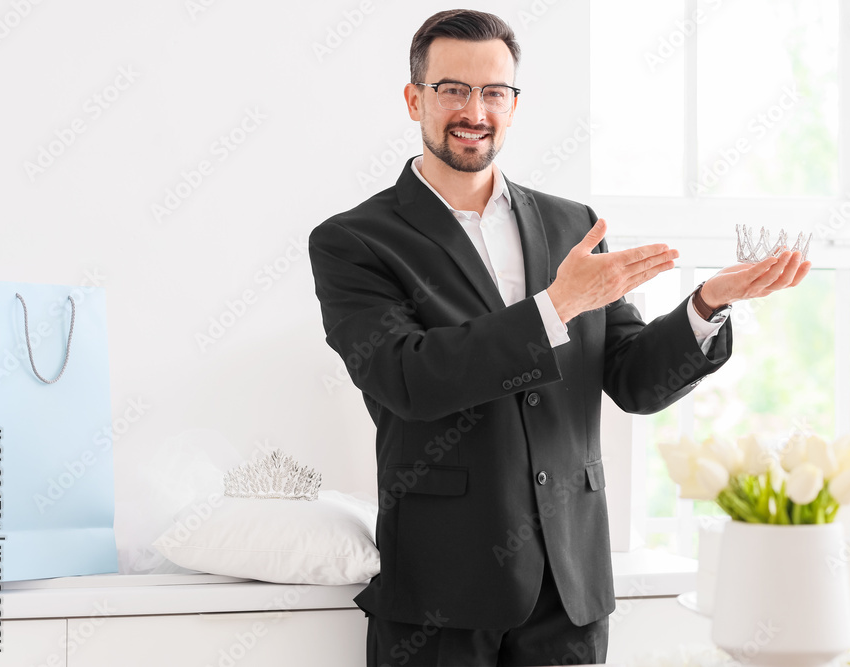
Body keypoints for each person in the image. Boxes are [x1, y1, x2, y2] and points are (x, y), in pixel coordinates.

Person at [308, 9, 810, 666]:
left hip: (570, 590)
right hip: (442, 596)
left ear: (514, 106)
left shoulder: (573, 224)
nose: (475, 110)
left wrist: (708, 303)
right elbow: (409, 379)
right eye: (453, 89)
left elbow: (633, 380)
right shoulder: (356, 241)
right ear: (415, 98)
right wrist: (555, 306)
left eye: (494, 92)